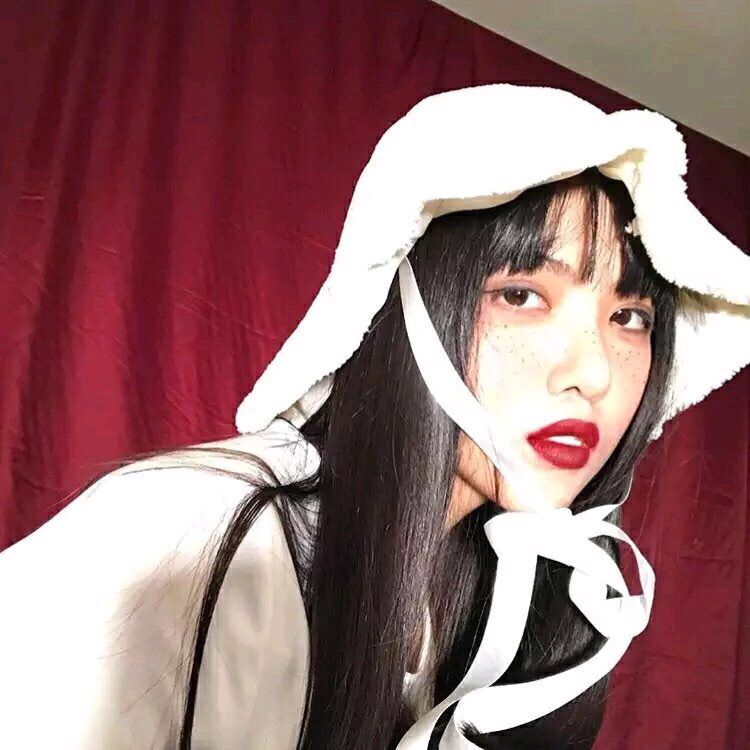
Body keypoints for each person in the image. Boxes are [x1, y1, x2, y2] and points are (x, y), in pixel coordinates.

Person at [0, 84, 748, 750]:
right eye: (522, 296)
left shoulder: (478, 594)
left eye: (629, 317)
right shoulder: (183, 532)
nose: (594, 373)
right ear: (400, 311)